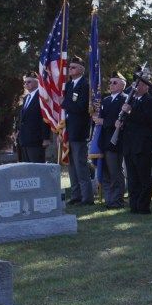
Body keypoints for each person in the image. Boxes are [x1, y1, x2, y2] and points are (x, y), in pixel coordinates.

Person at [117, 75, 152, 214]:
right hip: (129, 145)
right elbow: (129, 122)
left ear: (147, 86)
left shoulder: (151, 101)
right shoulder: (132, 100)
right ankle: (134, 205)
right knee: (132, 178)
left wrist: (130, 111)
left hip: (143, 145)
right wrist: (120, 123)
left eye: (140, 85)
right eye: (134, 84)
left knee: (144, 177)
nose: (136, 87)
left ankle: (143, 206)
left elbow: (148, 120)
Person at [62, 57, 94, 205]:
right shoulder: (68, 85)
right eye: (70, 67)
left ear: (82, 69)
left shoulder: (85, 85)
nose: (71, 70)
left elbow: (82, 107)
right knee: (72, 165)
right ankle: (76, 195)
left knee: (80, 165)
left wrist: (66, 103)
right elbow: (68, 106)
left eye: (74, 67)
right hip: (68, 130)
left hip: (79, 131)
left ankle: (87, 197)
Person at [93, 73, 127, 209]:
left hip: (115, 141)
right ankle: (109, 200)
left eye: (115, 82)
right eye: (110, 82)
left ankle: (117, 200)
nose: (111, 85)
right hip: (103, 141)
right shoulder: (106, 100)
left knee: (115, 173)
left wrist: (103, 121)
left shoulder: (125, 100)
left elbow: (122, 121)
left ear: (123, 85)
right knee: (105, 173)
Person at [16, 73, 51, 162]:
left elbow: (45, 117)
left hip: (36, 139)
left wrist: (46, 138)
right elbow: (23, 117)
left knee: (36, 168)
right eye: (25, 82)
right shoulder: (26, 98)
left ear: (37, 82)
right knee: (26, 169)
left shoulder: (41, 96)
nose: (26, 84)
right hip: (24, 139)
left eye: (29, 82)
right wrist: (18, 130)